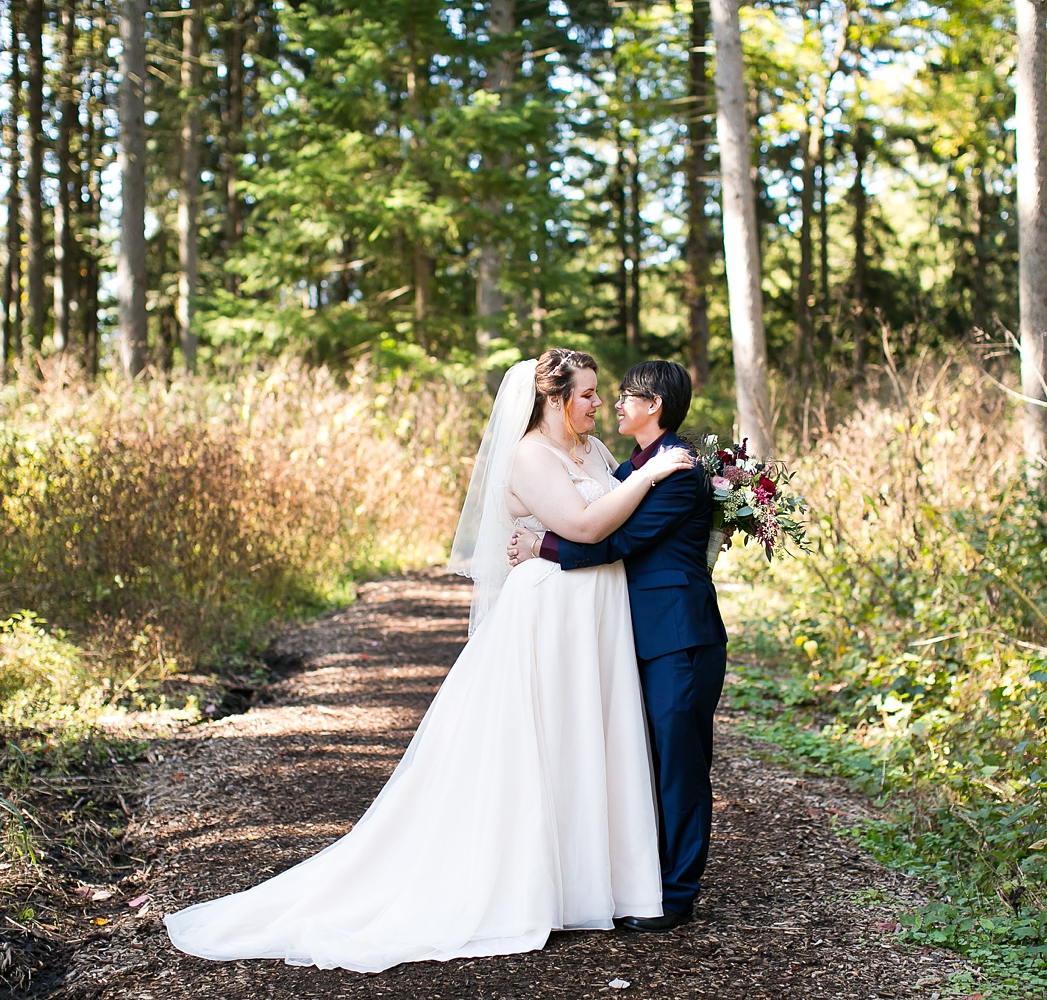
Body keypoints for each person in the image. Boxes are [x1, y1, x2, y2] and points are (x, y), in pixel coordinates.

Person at [163, 349, 694, 973]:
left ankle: (588, 884)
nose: (596, 403)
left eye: (599, 393)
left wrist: (655, 482)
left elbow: (620, 530)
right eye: (586, 393)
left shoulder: (599, 451)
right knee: (544, 741)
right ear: (553, 398)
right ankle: (530, 885)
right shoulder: (529, 455)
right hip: (549, 613)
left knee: (590, 739)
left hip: (596, 614)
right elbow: (583, 527)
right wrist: (649, 476)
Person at [509, 360, 727, 932]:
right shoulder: (627, 463)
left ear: (653, 405)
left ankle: (677, 894)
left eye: (622, 396)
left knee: (679, 765)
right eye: (597, 394)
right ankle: (638, 878)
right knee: (639, 760)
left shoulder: (676, 470)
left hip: (679, 635)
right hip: (631, 633)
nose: (610, 405)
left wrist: (541, 548)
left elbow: (618, 540)